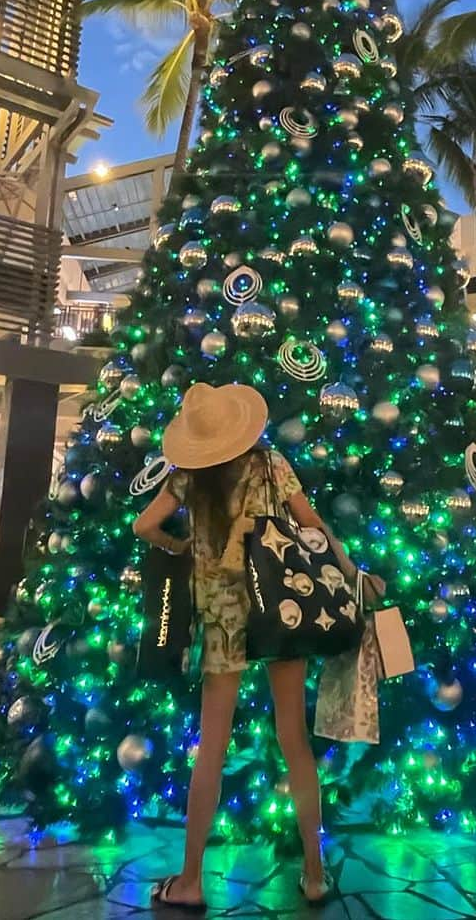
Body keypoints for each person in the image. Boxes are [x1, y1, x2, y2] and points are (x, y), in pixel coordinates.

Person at [133, 382, 386, 910]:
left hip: (221, 623)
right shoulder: (272, 465)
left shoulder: (187, 478)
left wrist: (182, 547)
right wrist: (351, 572)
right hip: (279, 613)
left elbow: (144, 525)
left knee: (212, 750)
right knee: (293, 740)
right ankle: (314, 875)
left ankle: (191, 880)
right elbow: (312, 525)